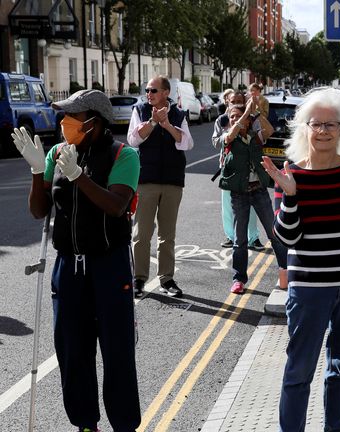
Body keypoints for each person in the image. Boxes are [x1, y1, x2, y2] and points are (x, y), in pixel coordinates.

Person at [13, 89, 141, 431]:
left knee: (117, 353)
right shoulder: (57, 152)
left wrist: (78, 177)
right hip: (68, 266)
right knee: (72, 352)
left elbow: (116, 206)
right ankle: (85, 423)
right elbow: (40, 210)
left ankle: (125, 424)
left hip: (110, 266)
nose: (64, 123)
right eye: (63, 116)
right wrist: (38, 171)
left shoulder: (122, 155)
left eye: (74, 117)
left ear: (96, 123)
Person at [261, 87, 340, 432]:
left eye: (332, 125)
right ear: (304, 128)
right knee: (299, 370)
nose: (324, 131)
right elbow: (286, 239)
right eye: (317, 124)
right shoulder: (291, 176)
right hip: (309, 289)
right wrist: (289, 197)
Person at [127, 75, 194, 298]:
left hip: (173, 181)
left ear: (166, 93)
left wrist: (167, 124)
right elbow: (133, 139)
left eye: (153, 90)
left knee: (168, 235)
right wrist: (154, 122)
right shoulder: (140, 110)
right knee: (141, 234)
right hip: (146, 180)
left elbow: (186, 143)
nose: (149, 94)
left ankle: (167, 279)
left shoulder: (178, 113)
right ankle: (139, 279)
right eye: (147, 90)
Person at [215, 102, 288, 294]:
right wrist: (244, 114)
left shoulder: (255, 137)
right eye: (231, 116)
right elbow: (228, 136)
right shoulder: (228, 137)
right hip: (239, 193)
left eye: (237, 116)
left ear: (248, 121)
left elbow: (270, 129)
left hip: (259, 190)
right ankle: (239, 279)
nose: (233, 119)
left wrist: (255, 113)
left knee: (275, 234)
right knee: (240, 240)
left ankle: (287, 271)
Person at [213, 90, 264, 252]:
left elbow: (262, 136)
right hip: (228, 168)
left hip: (248, 170)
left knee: (250, 206)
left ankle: (253, 237)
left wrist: (253, 113)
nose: (235, 103)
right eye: (232, 100)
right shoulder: (221, 121)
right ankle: (231, 236)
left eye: (239, 101)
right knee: (228, 206)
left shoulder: (251, 119)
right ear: (227, 101)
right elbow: (216, 141)